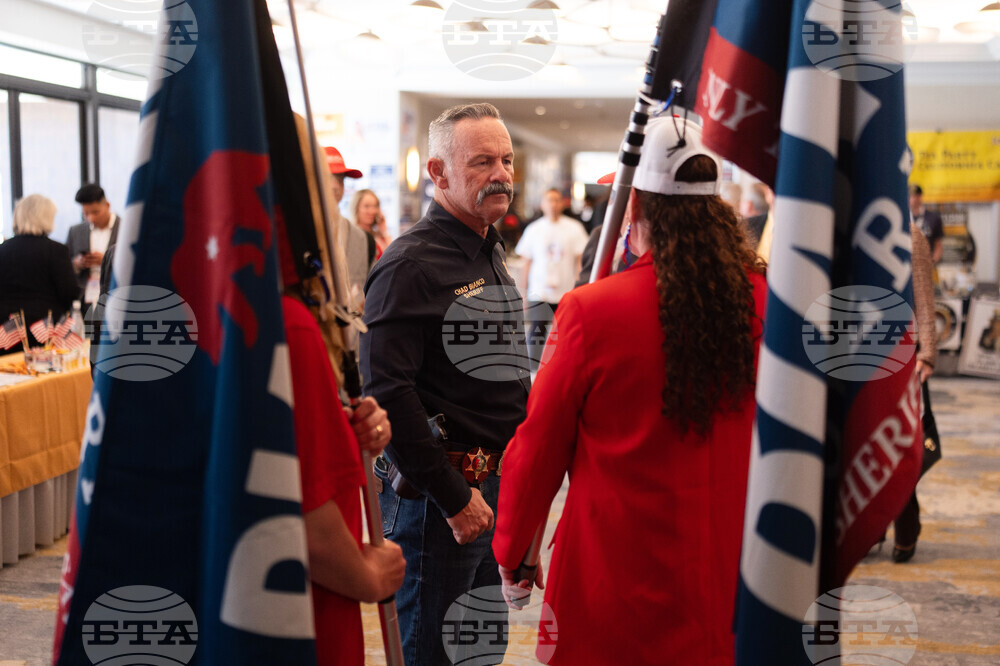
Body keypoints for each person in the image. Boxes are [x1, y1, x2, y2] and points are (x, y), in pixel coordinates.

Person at [492, 116, 767, 664]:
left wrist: (515, 547)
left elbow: (540, 443)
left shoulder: (591, 311)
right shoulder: (767, 302)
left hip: (613, 578)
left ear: (634, 208)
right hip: (735, 570)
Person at [360, 102, 530, 665]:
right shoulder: (411, 265)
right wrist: (455, 498)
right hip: (439, 501)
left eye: (506, 160)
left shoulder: (487, 248)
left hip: (493, 486)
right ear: (438, 173)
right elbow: (387, 392)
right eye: (483, 162)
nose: (501, 174)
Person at [891, 225, 937, 563]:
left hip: (904, 355)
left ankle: (907, 526)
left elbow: (923, 293)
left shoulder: (911, 234)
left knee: (901, 444)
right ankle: (871, 525)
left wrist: (928, 354)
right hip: (854, 352)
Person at [515, 188, 588, 365]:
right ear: (542, 204)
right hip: (539, 290)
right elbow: (527, 263)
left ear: (562, 203)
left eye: (556, 200)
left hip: (566, 290)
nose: (553, 204)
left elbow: (580, 262)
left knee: (565, 334)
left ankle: (561, 368)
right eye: (549, 200)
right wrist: (523, 292)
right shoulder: (534, 229)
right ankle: (532, 372)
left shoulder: (574, 228)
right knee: (537, 332)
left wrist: (581, 287)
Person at [0, 194, 79, 351]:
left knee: (12, 373)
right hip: (46, 331)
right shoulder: (57, 250)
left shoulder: (3, 250)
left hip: (8, 331)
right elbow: (69, 292)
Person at [324, 146, 375, 310]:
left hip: (354, 330)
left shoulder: (362, 239)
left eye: (340, 179)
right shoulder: (300, 234)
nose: (334, 186)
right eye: (327, 177)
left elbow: (371, 290)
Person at [67, 184, 118, 311]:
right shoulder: (76, 231)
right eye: (85, 214)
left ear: (107, 205)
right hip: (84, 300)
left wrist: (106, 261)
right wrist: (77, 263)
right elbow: (65, 265)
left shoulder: (126, 229)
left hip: (115, 297)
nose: (91, 218)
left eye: (95, 212)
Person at [350, 189, 391, 260]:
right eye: (367, 206)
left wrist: (384, 230)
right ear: (356, 208)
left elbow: (394, 257)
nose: (372, 211)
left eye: (375, 206)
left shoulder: (379, 235)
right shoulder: (353, 236)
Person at [909, 184, 944, 264]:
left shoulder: (933, 218)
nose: (914, 199)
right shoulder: (904, 218)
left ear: (921, 197)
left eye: (917, 196)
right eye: (912, 196)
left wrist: (932, 261)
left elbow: (938, 245)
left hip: (927, 263)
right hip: (909, 265)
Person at [740, 181, 770, 250]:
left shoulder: (743, 232)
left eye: (743, 200)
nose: (740, 204)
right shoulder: (770, 226)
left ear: (749, 205)